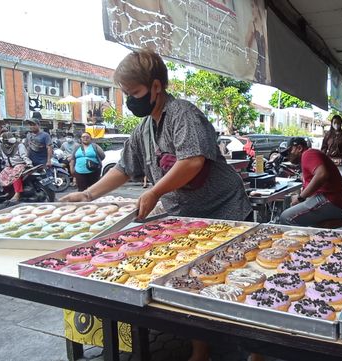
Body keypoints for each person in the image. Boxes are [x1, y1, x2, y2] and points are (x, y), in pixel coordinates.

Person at [61, 48, 251, 361]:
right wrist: (89, 194)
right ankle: (199, 347)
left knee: (229, 277)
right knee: (192, 280)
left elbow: (192, 161)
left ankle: (250, 349)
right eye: (125, 94)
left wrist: (154, 192)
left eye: (134, 92)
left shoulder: (184, 115)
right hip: (186, 214)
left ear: (156, 87)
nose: (129, 100)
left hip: (224, 209)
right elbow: (124, 169)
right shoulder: (145, 129)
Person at [279, 137, 342, 226]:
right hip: (335, 202)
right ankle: (308, 236)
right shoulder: (309, 156)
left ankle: (301, 238)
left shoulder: (308, 154)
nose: (288, 156)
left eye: (289, 152)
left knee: (286, 217)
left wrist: (301, 198)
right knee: (294, 210)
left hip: (331, 201)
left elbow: (322, 174)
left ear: (299, 148)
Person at [0, 131, 32, 206]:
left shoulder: (19, 145)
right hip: (9, 166)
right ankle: (9, 193)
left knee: (14, 175)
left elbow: (24, 155)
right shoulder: (1, 146)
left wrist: (28, 162)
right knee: (0, 177)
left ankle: (17, 193)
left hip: (20, 164)